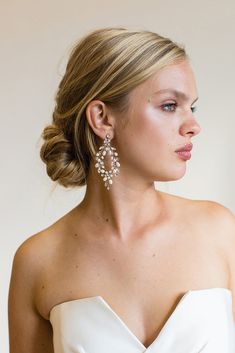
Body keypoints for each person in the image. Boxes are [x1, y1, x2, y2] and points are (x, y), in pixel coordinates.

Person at [8, 27, 235, 353]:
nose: (193, 126)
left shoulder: (219, 231)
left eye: (192, 108)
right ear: (102, 118)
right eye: (171, 105)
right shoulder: (38, 262)